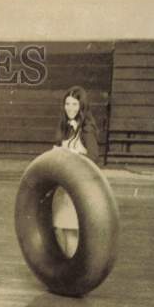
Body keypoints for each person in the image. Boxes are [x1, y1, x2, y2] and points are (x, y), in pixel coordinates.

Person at [51, 86, 100, 258]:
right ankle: (64, 268)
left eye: (74, 104)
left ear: (82, 106)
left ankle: (72, 273)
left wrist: (74, 154)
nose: (70, 108)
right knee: (58, 228)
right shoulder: (66, 128)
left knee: (71, 230)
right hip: (62, 188)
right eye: (67, 103)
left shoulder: (86, 129)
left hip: (78, 188)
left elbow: (94, 157)